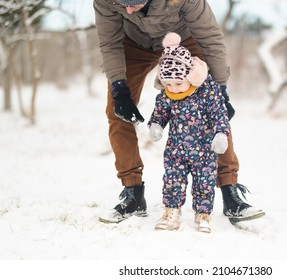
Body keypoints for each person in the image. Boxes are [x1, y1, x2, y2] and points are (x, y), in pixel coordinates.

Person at [94, 0, 265, 224]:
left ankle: (230, 192)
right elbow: (109, 42)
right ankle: (132, 193)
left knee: (214, 107)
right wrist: (118, 88)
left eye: (133, 3)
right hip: (132, 44)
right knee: (117, 113)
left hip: (183, 39)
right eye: (122, 3)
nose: (127, 10)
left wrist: (221, 89)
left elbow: (210, 38)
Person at [149, 32, 230, 233]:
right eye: (168, 84)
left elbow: (219, 113)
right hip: (176, 149)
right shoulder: (167, 94)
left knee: (205, 182)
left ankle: (203, 214)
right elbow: (160, 112)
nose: (174, 88)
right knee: (172, 180)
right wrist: (156, 125)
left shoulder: (207, 91)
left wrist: (221, 134)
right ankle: (171, 212)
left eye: (178, 83)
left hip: (204, 150)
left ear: (191, 76)